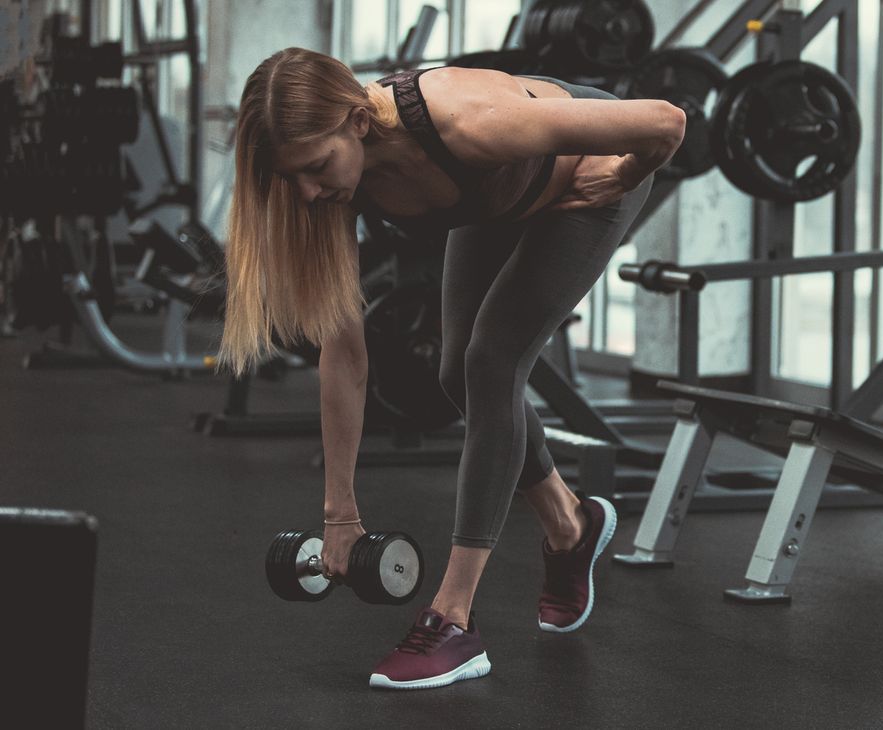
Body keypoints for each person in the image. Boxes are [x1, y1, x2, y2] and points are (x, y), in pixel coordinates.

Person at [219, 47, 685, 690]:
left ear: (357, 121)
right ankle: (570, 527)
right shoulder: (329, 190)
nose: (307, 190)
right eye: (291, 176)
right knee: (452, 374)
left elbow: (664, 121)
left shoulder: (468, 121)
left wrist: (627, 174)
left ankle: (453, 618)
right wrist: (340, 514)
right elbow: (344, 356)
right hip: (497, 196)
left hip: (585, 179)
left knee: (491, 361)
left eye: (317, 167)